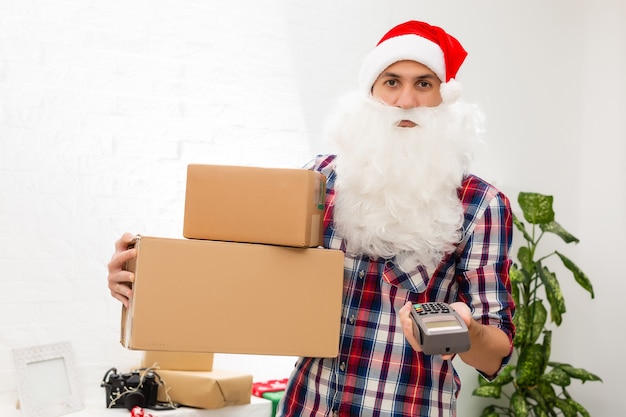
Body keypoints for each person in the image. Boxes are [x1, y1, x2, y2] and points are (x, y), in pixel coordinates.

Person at [107, 20, 515, 417]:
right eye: (392, 82)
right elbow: (242, 273)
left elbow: (495, 354)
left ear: (446, 99)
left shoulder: (482, 204)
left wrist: (466, 333)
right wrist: (146, 280)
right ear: (370, 93)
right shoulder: (322, 179)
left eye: (424, 84)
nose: (406, 100)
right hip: (308, 404)